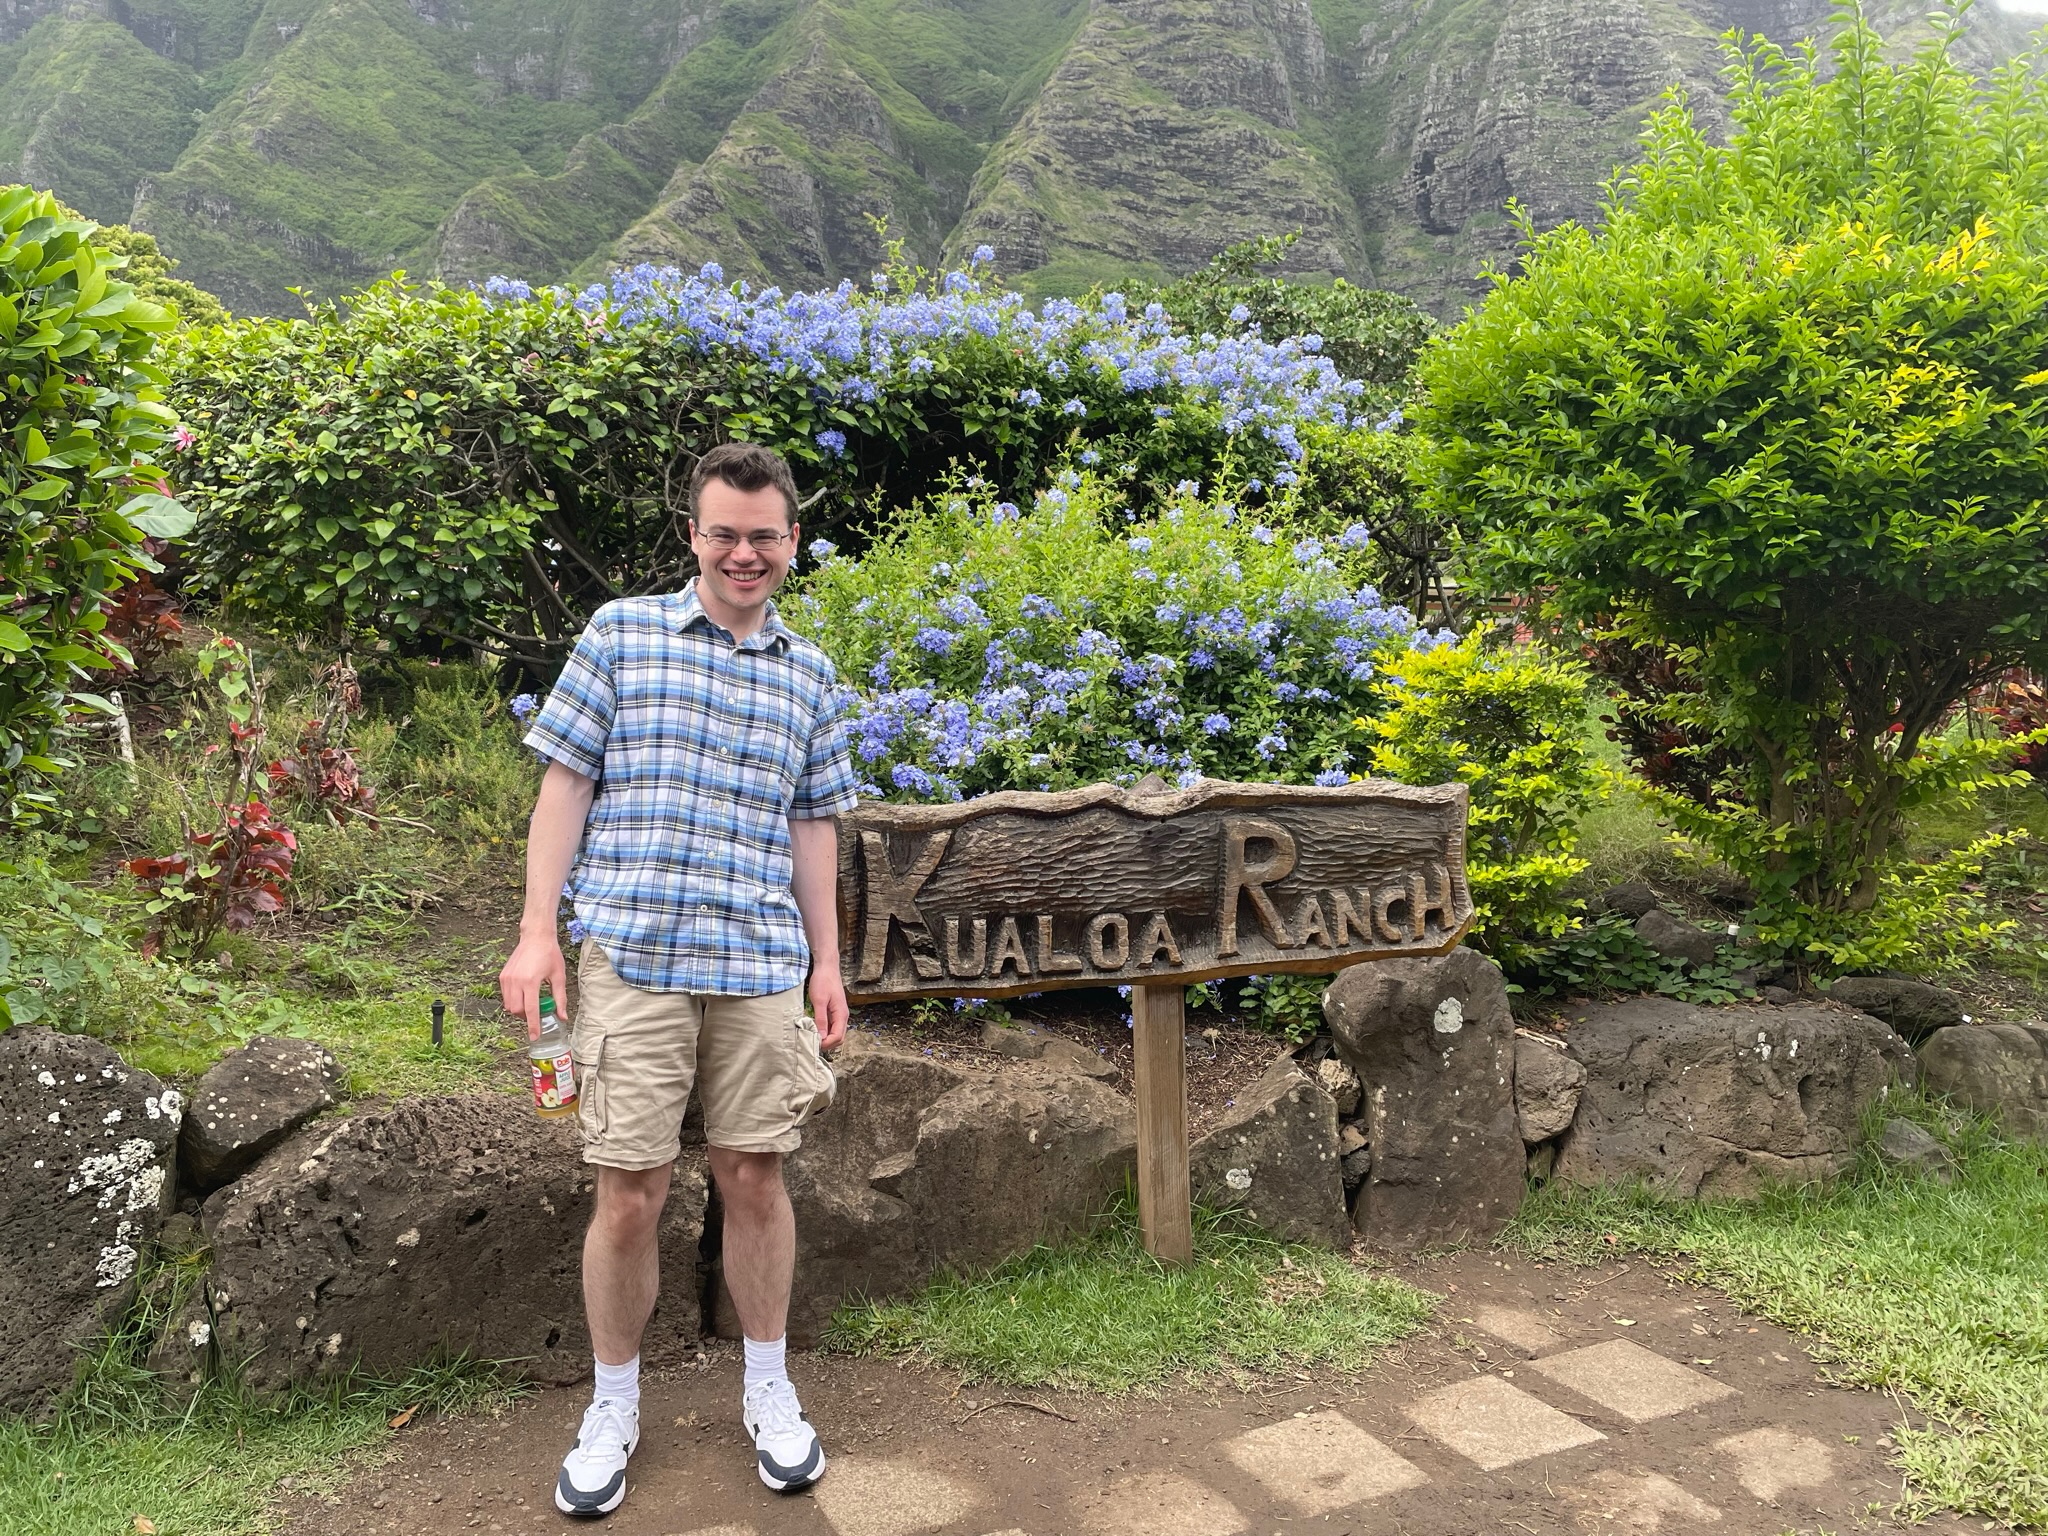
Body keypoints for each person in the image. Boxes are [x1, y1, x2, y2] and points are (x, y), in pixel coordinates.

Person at [498, 441, 856, 1518]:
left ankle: (768, 1388)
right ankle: (613, 1405)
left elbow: (814, 828)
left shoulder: (810, 674)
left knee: (755, 1177)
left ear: (792, 541)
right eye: (724, 534)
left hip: (758, 964)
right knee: (628, 1193)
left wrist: (828, 960)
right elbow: (564, 786)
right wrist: (536, 933)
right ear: (694, 536)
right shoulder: (621, 634)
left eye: (763, 536)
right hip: (633, 956)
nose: (744, 553)